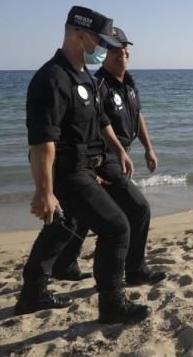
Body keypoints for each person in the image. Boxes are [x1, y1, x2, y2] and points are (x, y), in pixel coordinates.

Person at [17, 6, 150, 325]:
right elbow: (41, 143)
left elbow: (101, 121)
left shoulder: (82, 75)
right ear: (79, 35)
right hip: (67, 171)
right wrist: (44, 192)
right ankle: (112, 303)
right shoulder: (52, 78)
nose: (102, 49)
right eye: (99, 42)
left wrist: (119, 151)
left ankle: (33, 292)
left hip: (87, 168)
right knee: (117, 226)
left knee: (65, 226)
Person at [52, 26, 166, 286]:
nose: (121, 52)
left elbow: (138, 115)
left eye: (124, 46)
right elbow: (89, 128)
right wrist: (94, 170)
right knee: (137, 210)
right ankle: (135, 270)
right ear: (104, 53)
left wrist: (149, 148)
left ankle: (64, 263)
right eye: (114, 48)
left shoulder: (130, 83)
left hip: (121, 155)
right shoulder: (98, 85)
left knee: (82, 215)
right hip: (104, 159)